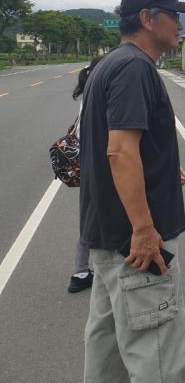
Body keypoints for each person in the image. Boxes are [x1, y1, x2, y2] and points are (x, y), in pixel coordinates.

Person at [79, 0, 185, 382]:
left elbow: (124, 148)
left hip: (107, 237)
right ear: (148, 19)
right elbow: (120, 152)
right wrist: (145, 230)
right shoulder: (134, 68)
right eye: (174, 15)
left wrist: (165, 171)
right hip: (136, 246)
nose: (181, 24)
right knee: (159, 358)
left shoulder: (110, 64)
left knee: (108, 351)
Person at [67, 55, 105, 293]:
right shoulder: (97, 93)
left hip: (88, 163)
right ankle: (84, 272)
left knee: (90, 217)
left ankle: (81, 270)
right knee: (97, 217)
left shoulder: (87, 93)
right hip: (98, 165)